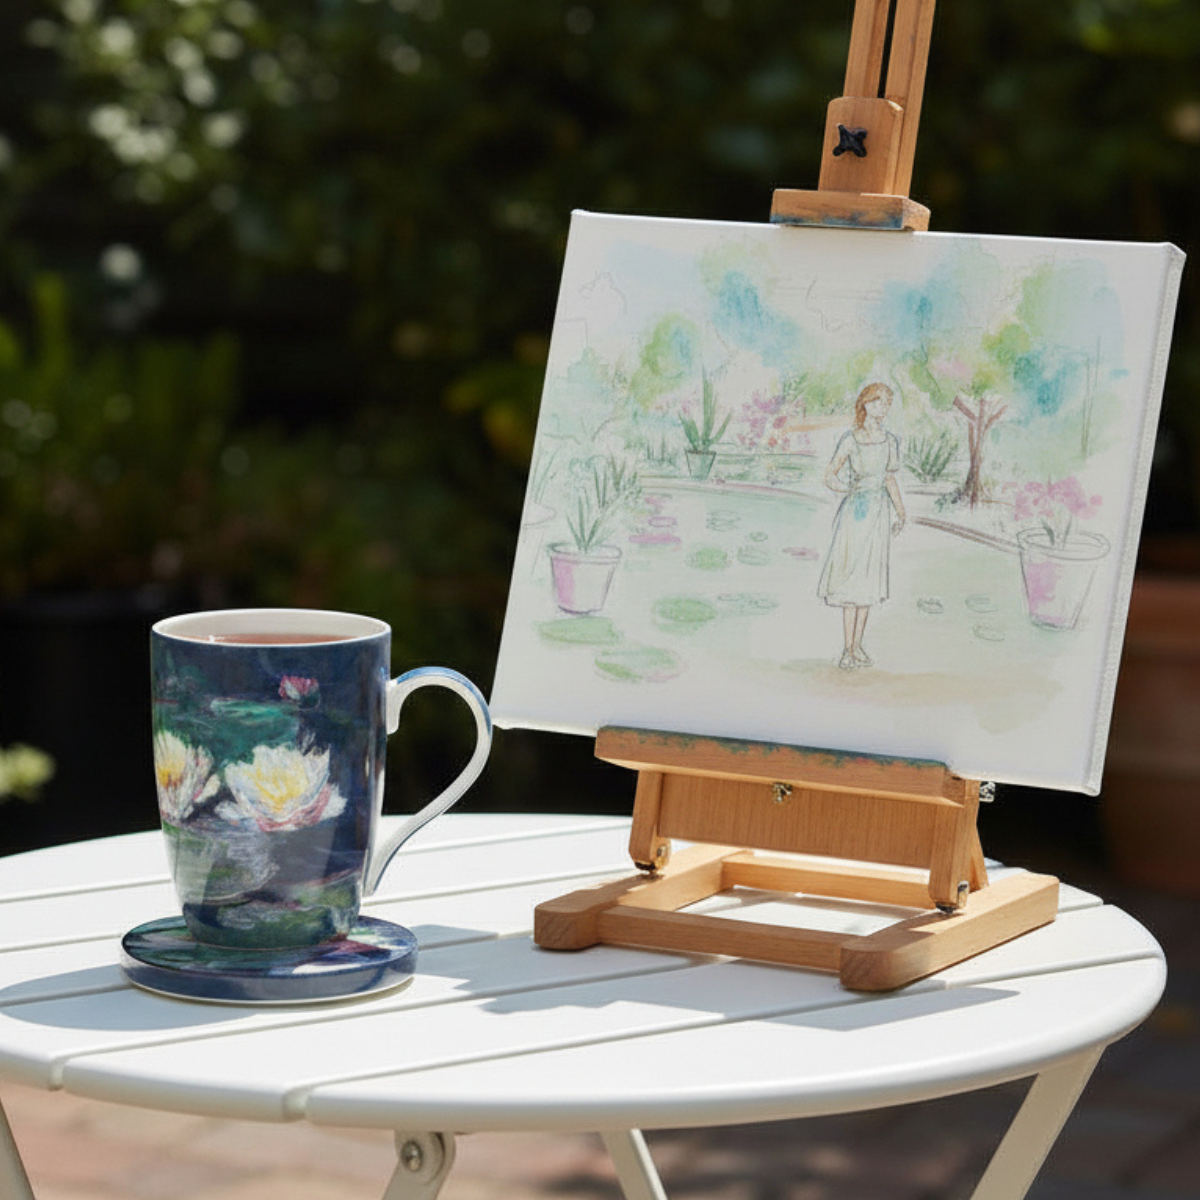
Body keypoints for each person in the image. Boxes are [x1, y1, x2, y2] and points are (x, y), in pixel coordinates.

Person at [817, 382, 906, 669]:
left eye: (887, 402)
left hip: (878, 513)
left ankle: (857, 646)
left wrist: (901, 512)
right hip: (855, 514)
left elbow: (890, 479)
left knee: (869, 581)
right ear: (865, 404)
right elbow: (830, 474)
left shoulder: (890, 441)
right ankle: (846, 649)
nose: (883, 408)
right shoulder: (851, 439)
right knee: (850, 581)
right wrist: (844, 489)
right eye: (879, 402)